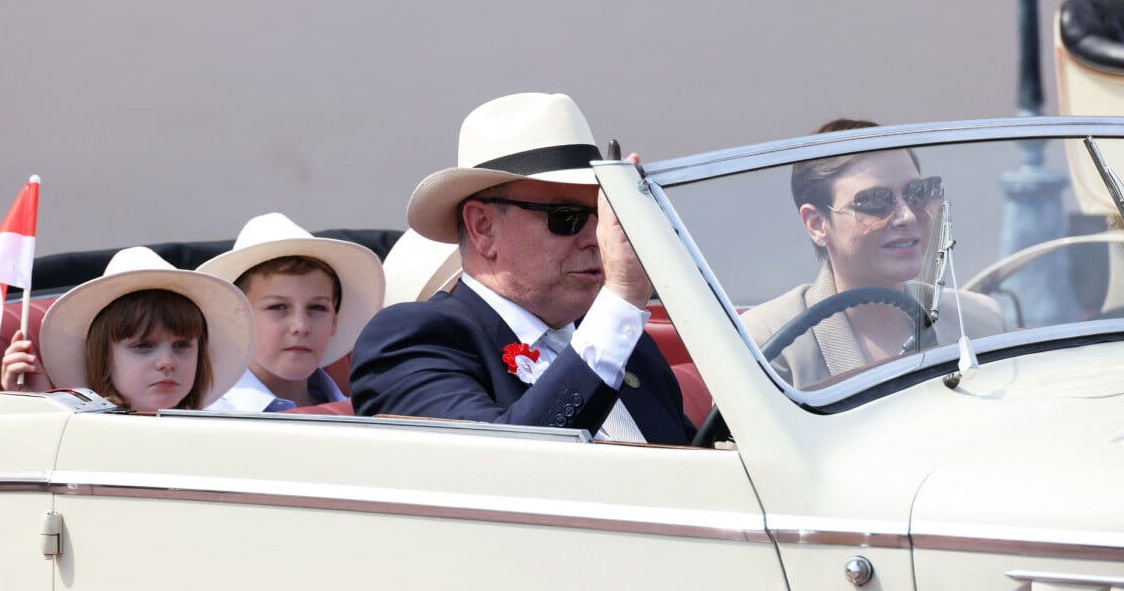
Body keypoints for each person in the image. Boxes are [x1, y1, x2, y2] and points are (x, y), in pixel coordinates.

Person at [349, 92, 695, 445]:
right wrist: (621, 297)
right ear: (483, 227)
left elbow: (697, 464)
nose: (596, 238)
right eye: (567, 217)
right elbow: (509, 468)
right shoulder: (415, 338)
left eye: (606, 215)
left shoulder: (629, 346)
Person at [741, 118, 1005, 388]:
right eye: (873, 201)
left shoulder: (980, 321)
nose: (907, 216)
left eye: (917, 192)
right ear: (817, 223)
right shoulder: (766, 344)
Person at [0, 246, 254, 411]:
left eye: (182, 345)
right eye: (143, 345)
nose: (167, 362)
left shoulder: (224, 424)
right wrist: (38, 403)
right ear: (103, 358)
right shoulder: (87, 435)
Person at [198, 213, 385, 412]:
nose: (301, 326)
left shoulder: (366, 414)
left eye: (317, 308)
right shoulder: (204, 416)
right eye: (277, 307)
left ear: (334, 319)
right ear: (239, 318)